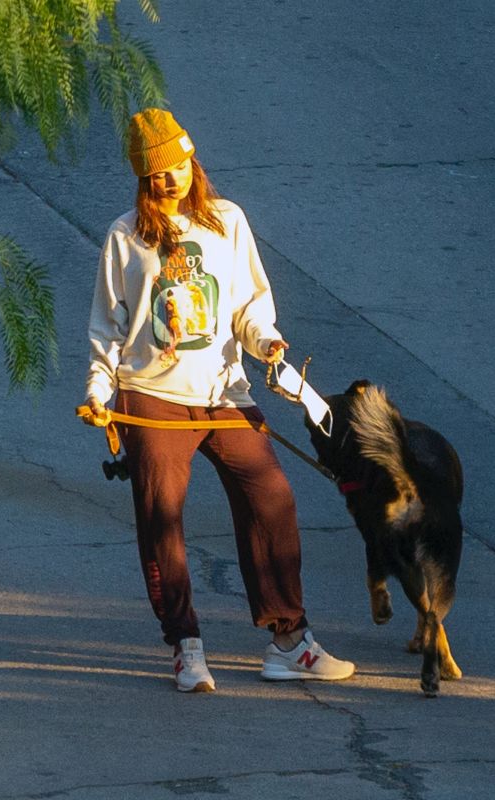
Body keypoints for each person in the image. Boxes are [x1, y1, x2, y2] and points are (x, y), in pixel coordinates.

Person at [86, 108, 355, 692]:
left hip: (224, 394)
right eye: (156, 175)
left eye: (177, 166)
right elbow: (108, 326)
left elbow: (250, 304)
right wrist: (98, 390)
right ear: (142, 180)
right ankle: (185, 646)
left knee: (273, 499)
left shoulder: (227, 221)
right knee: (163, 519)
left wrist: (268, 341)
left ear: (191, 160)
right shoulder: (124, 237)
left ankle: (289, 641)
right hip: (150, 398)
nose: (170, 180)